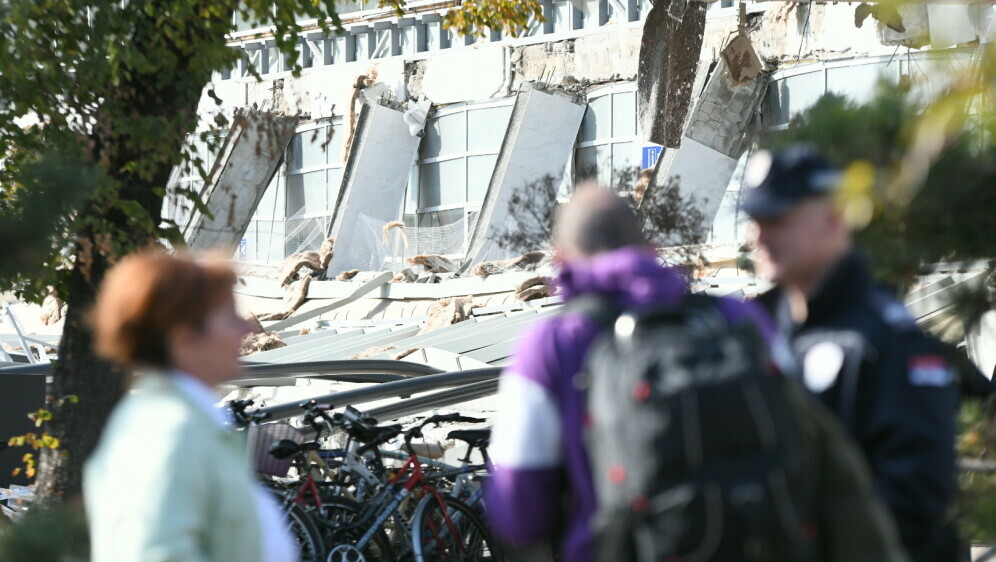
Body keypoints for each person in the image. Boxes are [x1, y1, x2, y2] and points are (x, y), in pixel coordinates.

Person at [486, 185, 905, 562]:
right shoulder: (737, 317)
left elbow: (519, 515)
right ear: (651, 250)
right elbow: (815, 435)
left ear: (560, 259)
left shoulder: (550, 345)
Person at [743, 146, 960, 562]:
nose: (760, 237)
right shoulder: (757, 330)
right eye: (754, 220)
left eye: (777, 219)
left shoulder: (887, 340)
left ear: (834, 218)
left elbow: (914, 503)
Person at [84, 252, 297, 562]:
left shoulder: (167, 420)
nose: (246, 330)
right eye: (229, 318)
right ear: (185, 339)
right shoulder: (174, 432)